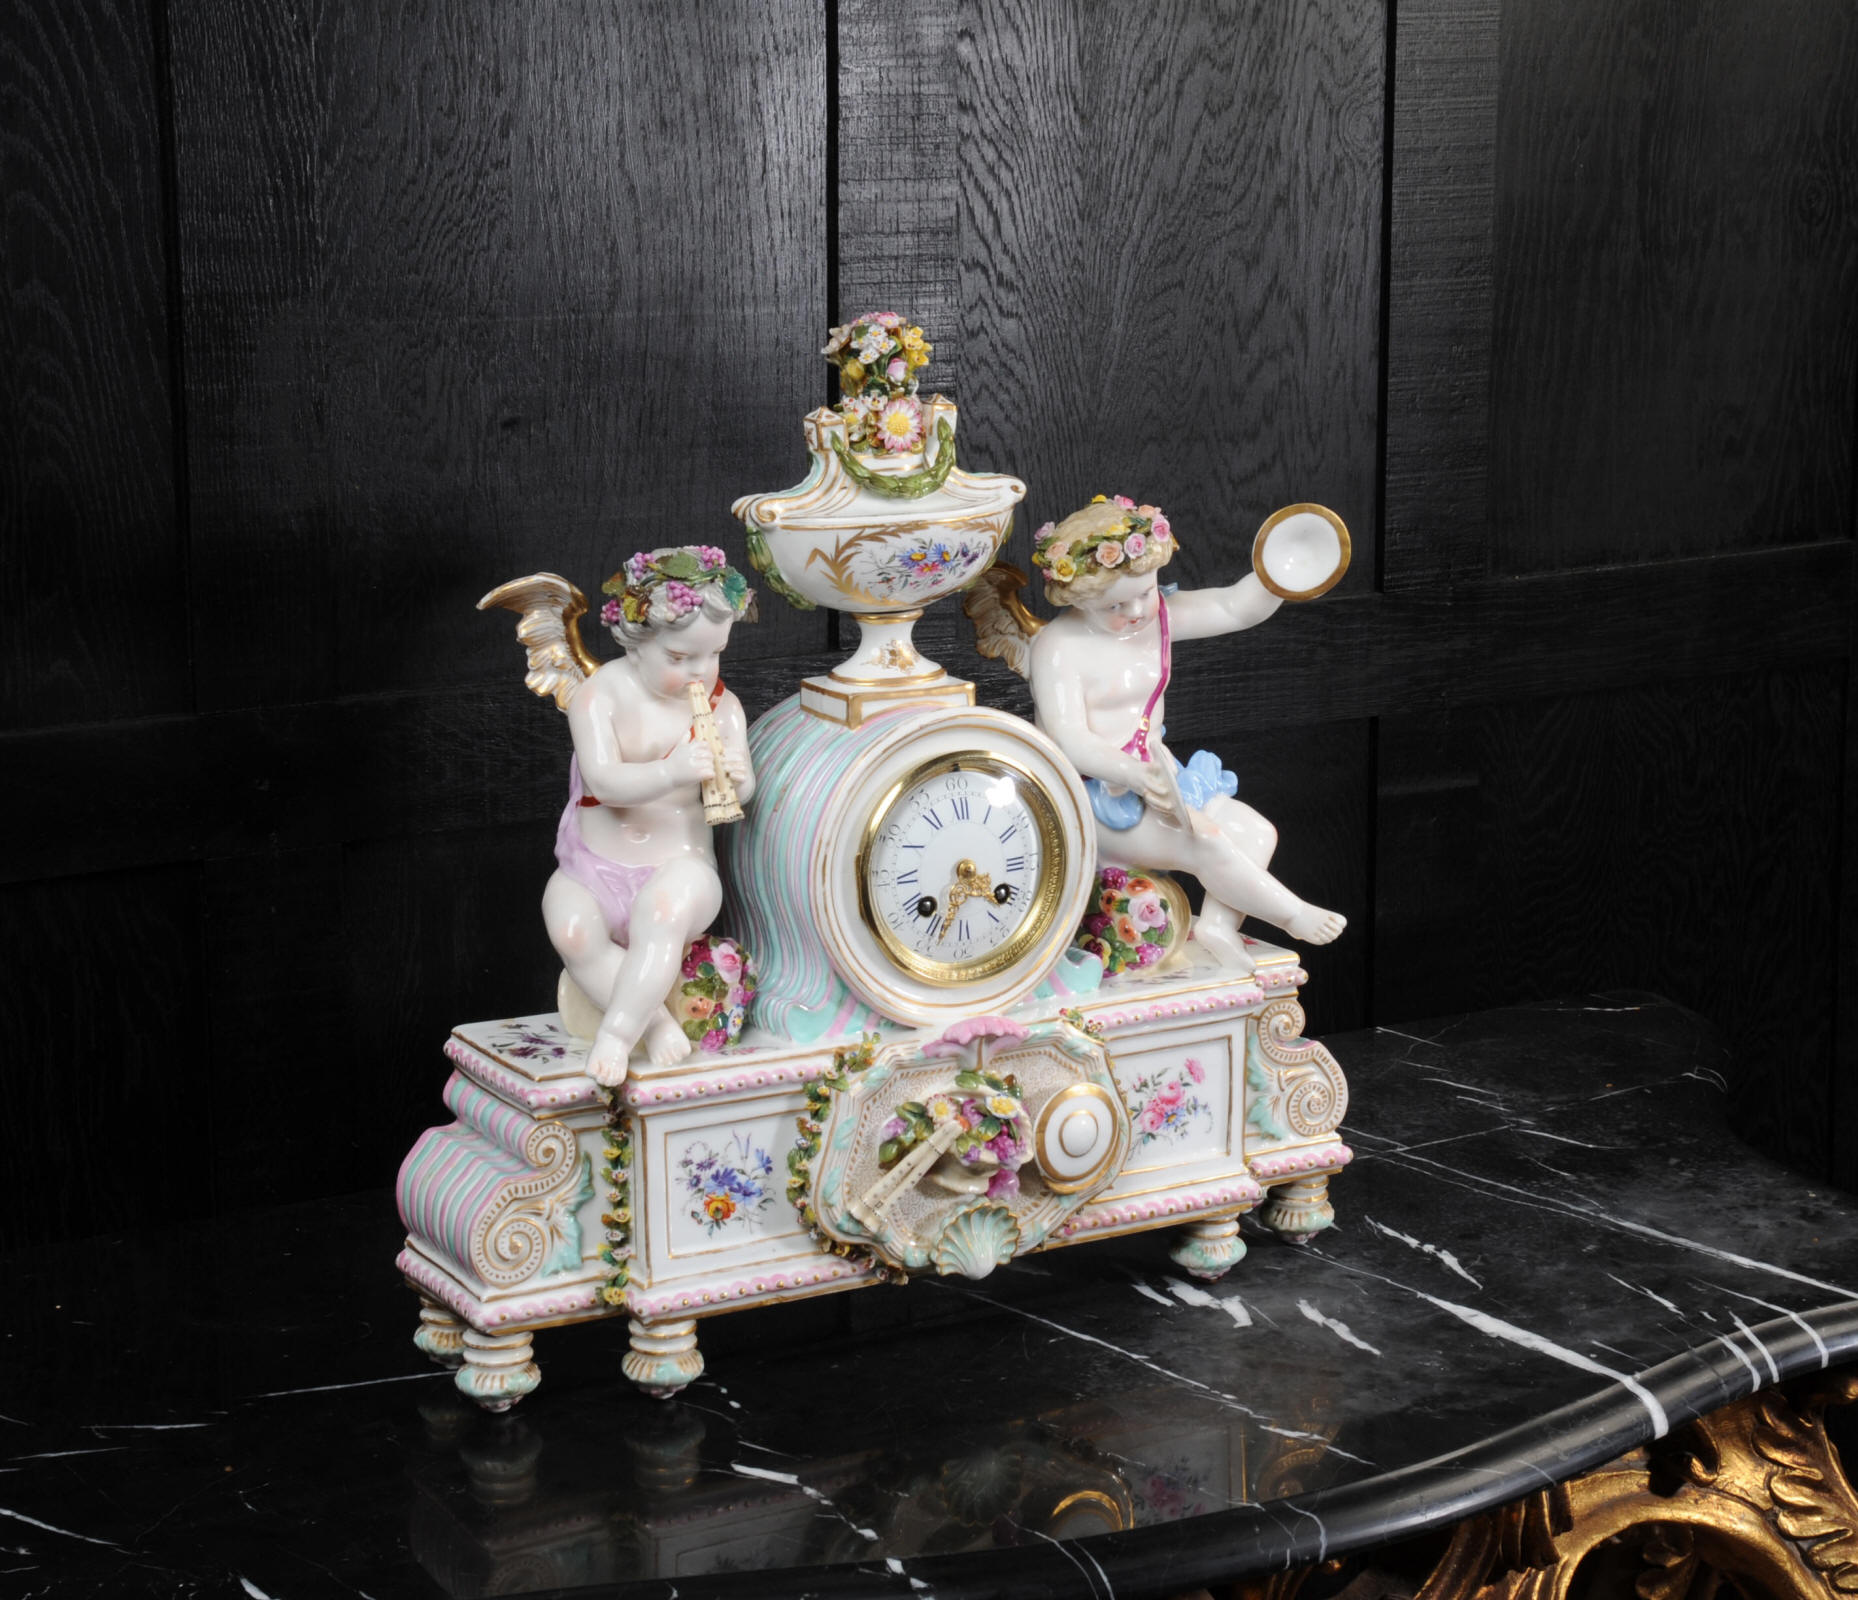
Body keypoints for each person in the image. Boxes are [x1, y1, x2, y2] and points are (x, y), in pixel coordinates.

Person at [970, 496, 1344, 972]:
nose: (1135, 611)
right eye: (1114, 604)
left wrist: (1277, 576)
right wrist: (1133, 774)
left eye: (1144, 593)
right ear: (1078, 598)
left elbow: (1232, 607)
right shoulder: (1058, 647)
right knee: (1207, 842)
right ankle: (1293, 915)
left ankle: (1218, 928)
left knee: (1256, 832)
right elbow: (1069, 740)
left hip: (1158, 776)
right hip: (1093, 794)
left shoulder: (1157, 616)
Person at [543, 546, 756, 1083]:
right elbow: (603, 783)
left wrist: (736, 777)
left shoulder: (724, 708)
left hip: (679, 864)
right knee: (570, 930)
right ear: (636, 643)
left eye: (714, 654)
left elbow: (744, 787)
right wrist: (672, 770)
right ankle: (655, 1023)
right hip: (595, 863)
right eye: (680, 658)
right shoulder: (599, 696)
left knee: (660, 916)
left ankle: (617, 1034)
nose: (700, 671)